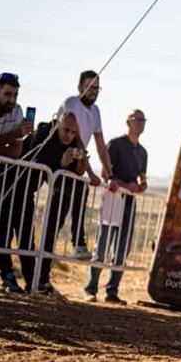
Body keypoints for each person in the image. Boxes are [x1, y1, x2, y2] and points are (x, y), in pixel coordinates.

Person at [24, 113, 100, 294]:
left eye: (73, 132)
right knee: (27, 235)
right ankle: (30, 279)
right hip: (24, 184)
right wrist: (60, 162)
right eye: (66, 130)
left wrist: (80, 167)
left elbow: (74, 174)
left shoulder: (74, 145)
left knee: (51, 229)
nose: (69, 135)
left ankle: (43, 277)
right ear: (58, 125)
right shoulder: (45, 133)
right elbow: (39, 158)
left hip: (60, 189)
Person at [83, 109, 148, 305]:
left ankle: (112, 291)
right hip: (113, 198)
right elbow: (106, 173)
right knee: (103, 245)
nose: (141, 123)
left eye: (143, 120)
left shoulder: (143, 152)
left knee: (122, 248)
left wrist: (140, 186)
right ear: (128, 122)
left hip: (129, 202)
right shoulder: (116, 144)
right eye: (137, 119)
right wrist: (125, 185)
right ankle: (90, 289)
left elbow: (142, 178)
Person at [0, 73, 34, 293]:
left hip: (18, 176)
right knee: (2, 230)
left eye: (14, 95)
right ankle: (7, 275)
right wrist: (11, 135)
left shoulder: (18, 111)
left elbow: (15, 151)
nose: (11, 100)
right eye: (7, 94)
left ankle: (31, 280)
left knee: (25, 233)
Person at [57, 70, 113, 258]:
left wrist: (110, 173)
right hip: (61, 158)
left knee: (81, 196)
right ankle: (47, 250)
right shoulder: (72, 103)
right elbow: (77, 139)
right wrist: (90, 172)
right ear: (80, 87)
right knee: (60, 207)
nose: (93, 91)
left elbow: (100, 144)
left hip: (79, 160)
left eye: (97, 88)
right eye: (90, 87)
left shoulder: (95, 111)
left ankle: (78, 244)